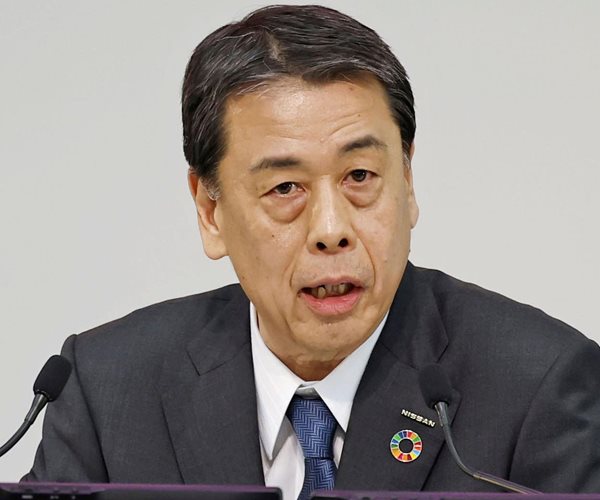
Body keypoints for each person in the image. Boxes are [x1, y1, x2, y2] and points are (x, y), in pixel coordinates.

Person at [23, 4, 600, 498]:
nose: (331, 229)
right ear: (210, 210)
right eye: (285, 188)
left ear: (407, 182)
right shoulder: (106, 388)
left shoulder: (539, 387)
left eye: (360, 176)